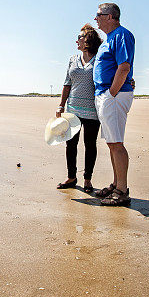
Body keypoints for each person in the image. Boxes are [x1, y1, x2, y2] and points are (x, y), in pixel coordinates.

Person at [92, 2, 135, 206]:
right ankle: (117, 183)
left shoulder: (121, 35)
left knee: (117, 143)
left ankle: (122, 191)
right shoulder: (108, 39)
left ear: (110, 16)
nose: (96, 19)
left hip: (114, 96)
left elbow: (124, 67)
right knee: (111, 143)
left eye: (98, 15)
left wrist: (111, 93)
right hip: (105, 95)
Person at [55, 24, 102, 193]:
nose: (77, 40)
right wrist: (61, 105)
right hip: (72, 109)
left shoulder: (99, 59)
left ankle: (87, 179)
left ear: (88, 39)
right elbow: (67, 83)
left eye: (80, 37)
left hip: (92, 110)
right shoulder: (72, 59)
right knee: (71, 144)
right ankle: (71, 177)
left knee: (90, 145)